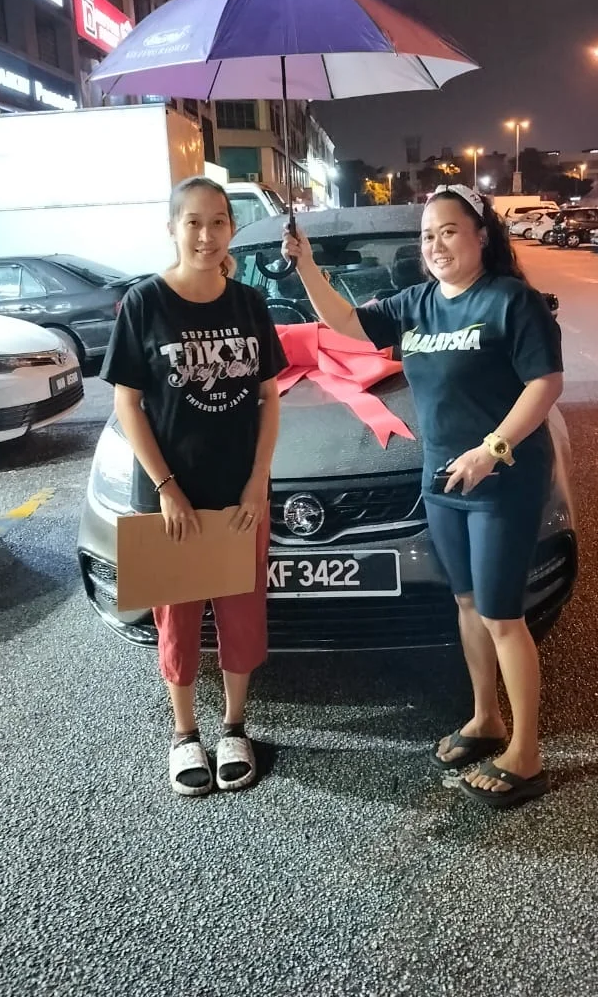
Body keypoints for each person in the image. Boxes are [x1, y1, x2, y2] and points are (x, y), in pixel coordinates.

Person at [282, 185, 564, 809]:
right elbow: (347, 324)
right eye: (427, 235)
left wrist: (491, 450)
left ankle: (526, 754)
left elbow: (545, 384)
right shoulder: (419, 302)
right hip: (441, 480)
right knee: (466, 603)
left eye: (449, 231)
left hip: (502, 481)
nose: (435, 245)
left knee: (502, 615)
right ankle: (486, 718)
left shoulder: (509, 301)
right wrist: (306, 265)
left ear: (481, 236)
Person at [103, 176, 287, 796]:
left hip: (239, 496)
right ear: (173, 229)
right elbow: (128, 404)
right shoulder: (144, 303)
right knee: (176, 622)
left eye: (218, 222)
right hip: (170, 497)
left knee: (241, 615)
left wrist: (258, 480)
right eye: (194, 222)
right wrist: (165, 485)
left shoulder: (249, 304)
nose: (207, 235)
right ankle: (184, 734)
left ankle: (234, 726)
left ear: (232, 229)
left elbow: (268, 397)